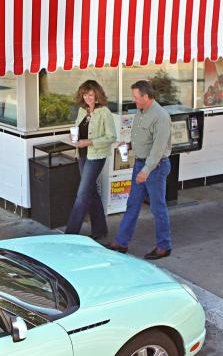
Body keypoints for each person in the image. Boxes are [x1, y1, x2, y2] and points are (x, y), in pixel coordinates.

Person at [107, 80, 174, 260]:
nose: (134, 100)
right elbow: (143, 137)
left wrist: (145, 171)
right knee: (132, 204)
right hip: (140, 163)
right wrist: (130, 144)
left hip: (155, 167)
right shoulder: (141, 111)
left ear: (146, 96)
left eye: (136, 97)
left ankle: (164, 245)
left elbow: (158, 150)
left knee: (157, 207)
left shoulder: (161, 117)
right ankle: (121, 242)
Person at [65, 79, 117, 240]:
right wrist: (74, 137)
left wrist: (90, 142)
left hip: (96, 156)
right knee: (91, 191)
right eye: (84, 95)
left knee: (82, 194)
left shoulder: (104, 112)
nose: (87, 98)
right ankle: (100, 230)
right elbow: (77, 128)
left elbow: (111, 137)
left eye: (90, 94)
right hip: (82, 154)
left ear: (97, 95)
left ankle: (70, 235)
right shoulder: (83, 111)